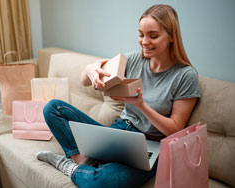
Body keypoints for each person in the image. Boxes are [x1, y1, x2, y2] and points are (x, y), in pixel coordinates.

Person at [36, 4, 200, 188]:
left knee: (101, 183)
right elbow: (84, 80)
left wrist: (141, 105)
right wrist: (91, 69)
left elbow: (175, 129)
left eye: (153, 36)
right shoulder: (131, 60)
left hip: (149, 145)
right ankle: (81, 160)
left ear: (171, 36)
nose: (144, 42)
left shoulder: (185, 76)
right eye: (141, 34)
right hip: (119, 131)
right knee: (53, 108)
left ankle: (69, 167)